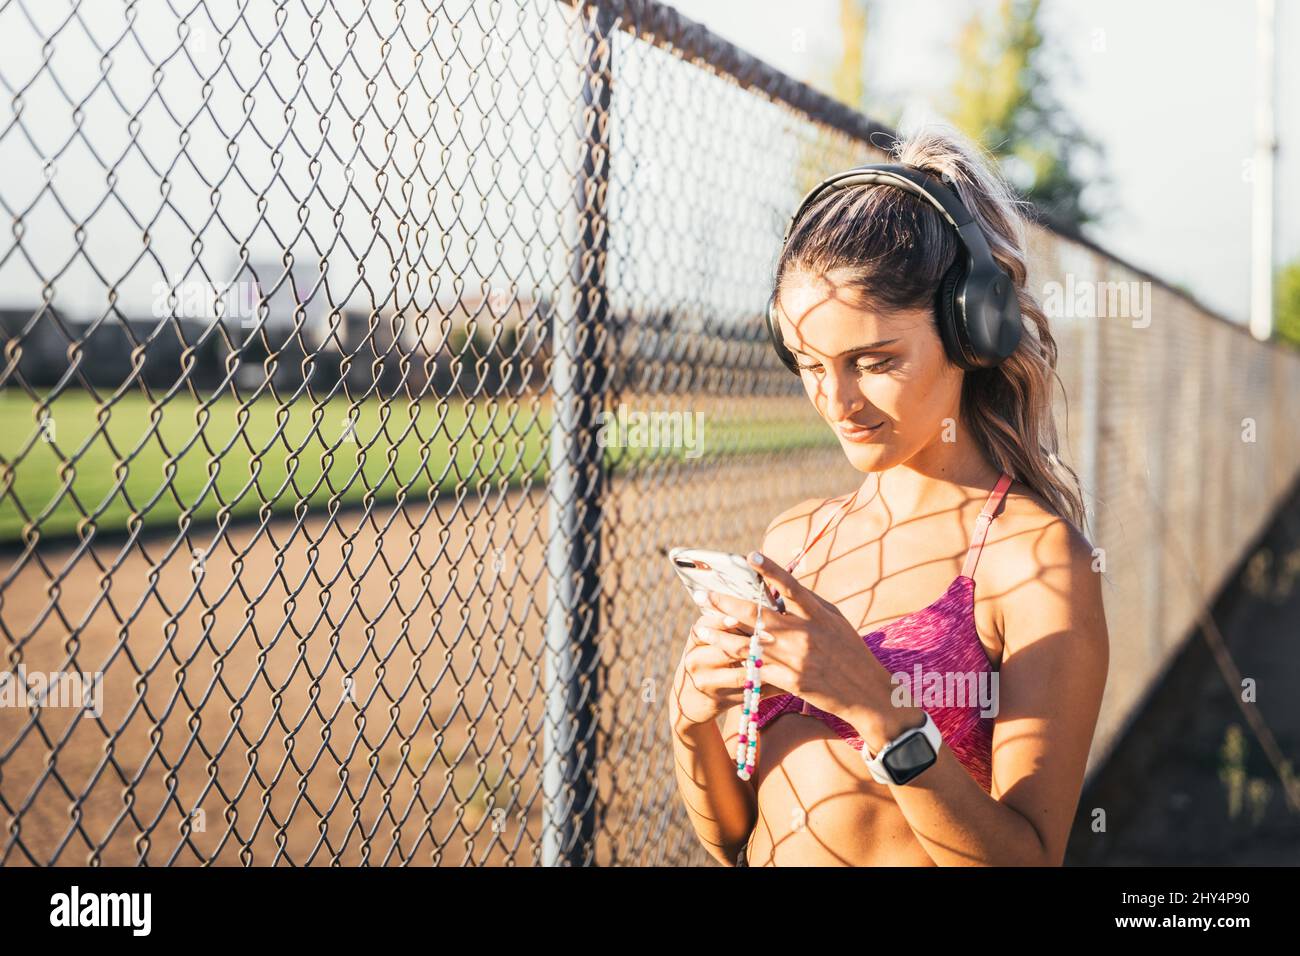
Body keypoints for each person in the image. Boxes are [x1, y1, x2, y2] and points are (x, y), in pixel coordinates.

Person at [667, 124, 1110, 867]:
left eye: (873, 360)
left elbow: (1028, 859)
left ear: (974, 332)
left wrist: (880, 711)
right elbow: (730, 837)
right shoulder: (794, 542)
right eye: (808, 363)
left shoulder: (1031, 559)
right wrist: (692, 720)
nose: (835, 399)